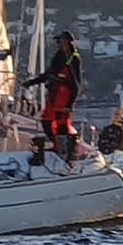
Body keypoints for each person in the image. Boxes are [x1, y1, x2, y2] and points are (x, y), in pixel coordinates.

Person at [25, 30, 85, 160]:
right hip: (54, 93)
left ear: (67, 43)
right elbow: (49, 74)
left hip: (64, 95)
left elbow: (76, 83)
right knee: (46, 121)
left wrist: (70, 103)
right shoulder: (58, 56)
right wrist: (32, 82)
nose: (58, 44)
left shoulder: (73, 58)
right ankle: (56, 144)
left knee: (61, 124)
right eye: (57, 42)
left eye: (60, 41)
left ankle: (63, 150)